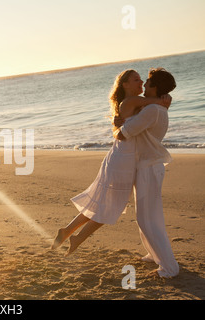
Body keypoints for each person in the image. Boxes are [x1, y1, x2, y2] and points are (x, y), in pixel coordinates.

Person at [50, 69, 171, 257]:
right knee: (109, 206)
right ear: (125, 85)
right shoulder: (132, 101)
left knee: (103, 203)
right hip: (123, 160)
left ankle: (68, 232)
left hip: (123, 157)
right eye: (136, 80)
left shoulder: (135, 104)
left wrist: (162, 102)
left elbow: (150, 119)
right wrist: (165, 99)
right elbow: (155, 105)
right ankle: (75, 236)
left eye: (142, 80)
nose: (140, 83)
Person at [114, 68, 179, 278]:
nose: (144, 87)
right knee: (152, 216)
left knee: (145, 218)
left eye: (148, 83)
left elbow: (124, 134)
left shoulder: (152, 111)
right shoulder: (156, 108)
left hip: (148, 168)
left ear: (156, 88)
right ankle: (154, 254)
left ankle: (169, 268)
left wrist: (118, 126)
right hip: (150, 166)